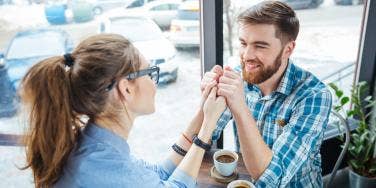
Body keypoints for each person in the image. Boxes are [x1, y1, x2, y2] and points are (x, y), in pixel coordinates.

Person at [20, 34, 226, 187]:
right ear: (126, 88)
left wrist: (202, 112)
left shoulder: (96, 146)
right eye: (149, 72)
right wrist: (208, 126)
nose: (154, 83)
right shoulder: (102, 165)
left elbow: (158, 174)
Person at [201, 1, 332, 187]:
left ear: (288, 49)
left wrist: (240, 107)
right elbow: (205, 136)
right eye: (243, 43)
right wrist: (208, 100)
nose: (246, 55)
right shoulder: (240, 78)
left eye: (260, 46)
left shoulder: (314, 96)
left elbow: (272, 180)